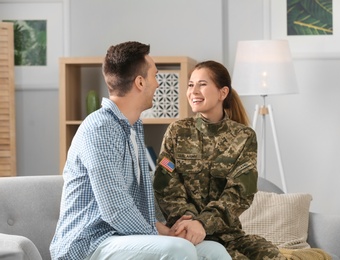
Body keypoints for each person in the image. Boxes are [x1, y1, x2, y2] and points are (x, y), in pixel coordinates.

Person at [50, 42, 231, 260]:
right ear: (140, 82)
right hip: (88, 244)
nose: (157, 84)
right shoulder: (100, 129)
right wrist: (164, 234)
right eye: (155, 75)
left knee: (214, 251)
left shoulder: (132, 127)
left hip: (122, 237)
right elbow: (116, 211)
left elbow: (133, 208)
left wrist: (171, 229)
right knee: (178, 250)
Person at [153, 60, 287, 260]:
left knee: (272, 256)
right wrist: (191, 223)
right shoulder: (177, 131)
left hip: (228, 234)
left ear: (223, 93)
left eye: (202, 84)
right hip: (186, 234)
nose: (194, 91)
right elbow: (166, 184)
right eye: (191, 85)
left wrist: (204, 223)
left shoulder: (244, 136)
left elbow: (240, 191)